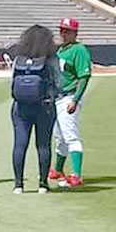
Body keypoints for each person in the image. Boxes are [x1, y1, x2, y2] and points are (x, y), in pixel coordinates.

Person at [9, 25, 59, 194]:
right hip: (44, 107)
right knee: (43, 145)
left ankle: (18, 184)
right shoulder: (50, 59)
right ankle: (43, 184)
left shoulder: (20, 59)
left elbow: (12, 82)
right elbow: (58, 82)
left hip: (20, 107)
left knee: (19, 144)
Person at [48, 17, 92, 189]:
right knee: (59, 136)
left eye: (67, 31)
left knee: (70, 135)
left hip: (69, 96)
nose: (63, 33)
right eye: (62, 30)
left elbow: (84, 76)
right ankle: (58, 169)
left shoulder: (79, 50)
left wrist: (75, 99)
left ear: (75, 33)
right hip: (57, 97)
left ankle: (76, 175)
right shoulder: (61, 50)